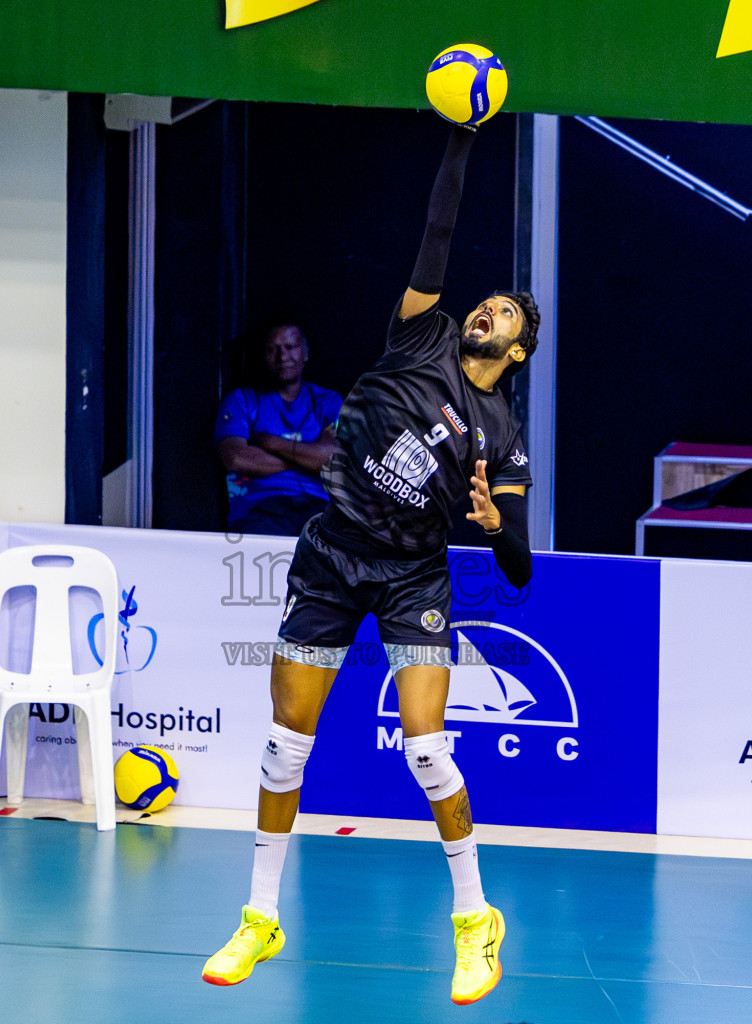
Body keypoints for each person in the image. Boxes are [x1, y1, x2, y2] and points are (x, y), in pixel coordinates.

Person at [202, 122, 538, 1005]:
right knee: (284, 748)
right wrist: (461, 143)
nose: (485, 309)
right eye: (486, 302)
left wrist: (491, 521)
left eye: (503, 313)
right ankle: (260, 918)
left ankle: (475, 922)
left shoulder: (504, 436)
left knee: (428, 751)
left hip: (414, 579)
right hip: (330, 560)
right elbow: (437, 228)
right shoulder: (421, 333)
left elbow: (522, 567)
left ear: (519, 349)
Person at [214, 323, 342, 537]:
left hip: (320, 509)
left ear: (305, 353)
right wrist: (309, 458)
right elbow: (236, 459)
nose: (282, 356)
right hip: (258, 508)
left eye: (290, 347)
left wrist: (270, 442)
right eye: (272, 349)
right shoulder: (241, 400)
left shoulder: (327, 401)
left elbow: (334, 460)